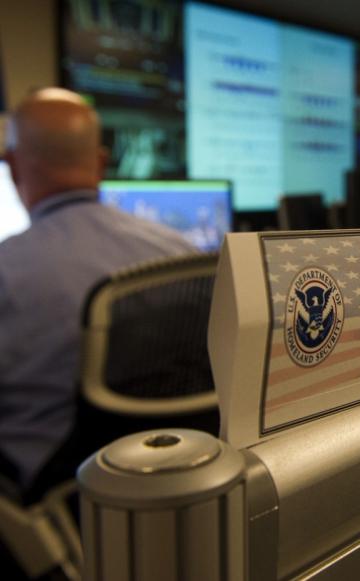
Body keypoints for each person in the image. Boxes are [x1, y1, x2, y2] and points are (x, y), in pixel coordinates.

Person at [0, 88, 195, 491]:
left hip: (55, 496)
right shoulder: (181, 253)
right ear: (102, 163)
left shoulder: (7, 269)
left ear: (13, 166)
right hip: (170, 476)